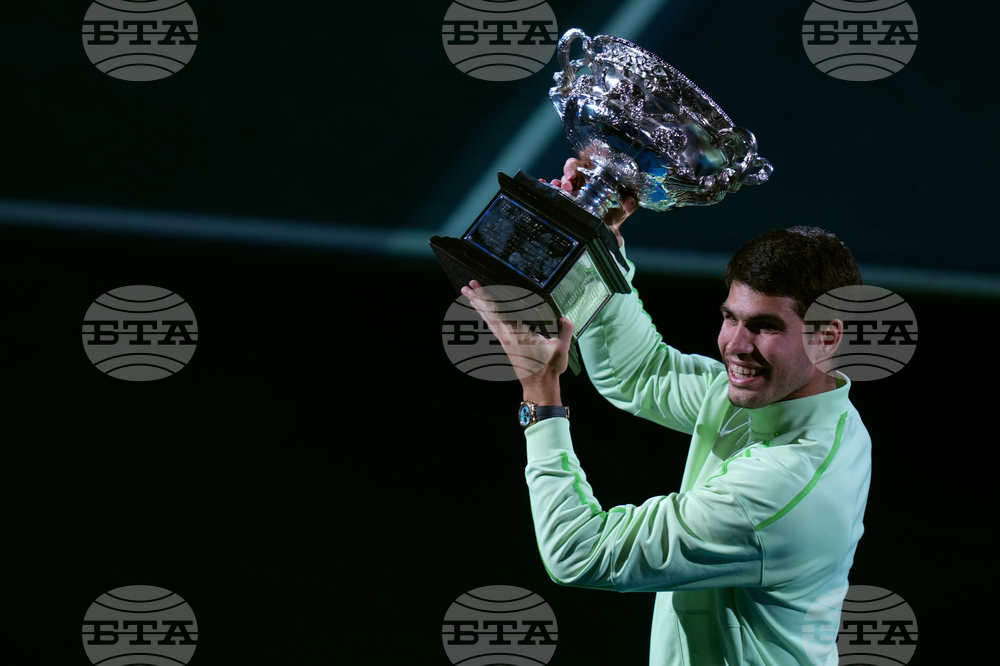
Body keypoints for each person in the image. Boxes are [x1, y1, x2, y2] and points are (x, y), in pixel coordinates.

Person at [460, 158, 872, 666]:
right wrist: (596, 252)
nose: (735, 345)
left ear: (827, 336)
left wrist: (540, 393)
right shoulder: (803, 402)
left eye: (764, 327)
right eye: (730, 318)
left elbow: (579, 552)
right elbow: (640, 374)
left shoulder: (780, 489)